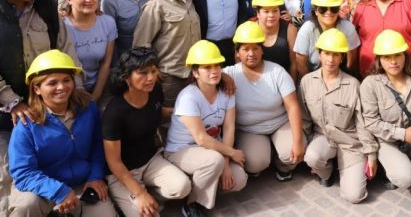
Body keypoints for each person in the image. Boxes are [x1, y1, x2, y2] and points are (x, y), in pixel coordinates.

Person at [0, 0, 81, 214]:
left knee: (52, 163)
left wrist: (74, 89)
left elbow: (65, 49)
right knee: (10, 175)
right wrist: (12, 102)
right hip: (7, 112)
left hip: (51, 100)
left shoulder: (46, 6)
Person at [8, 50, 116, 216]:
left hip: (83, 182)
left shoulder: (88, 108)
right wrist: (59, 191)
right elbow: (23, 173)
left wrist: (95, 175)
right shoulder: (26, 124)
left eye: (67, 80)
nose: (61, 87)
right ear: (37, 88)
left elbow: (98, 146)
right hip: (43, 187)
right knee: (26, 206)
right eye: (52, 83)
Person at [103, 47, 191, 217]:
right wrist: (140, 193)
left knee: (182, 187)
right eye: (143, 73)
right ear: (126, 77)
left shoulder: (155, 90)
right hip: (123, 172)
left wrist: (187, 113)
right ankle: (124, 199)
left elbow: (158, 111)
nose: (150, 78)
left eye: (153, 71)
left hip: (151, 160)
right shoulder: (114, 112)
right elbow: (113, 162)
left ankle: (149, 197)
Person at [164, 40, 247, 217]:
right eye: (207, 68)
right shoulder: (188, 97)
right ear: (195, 73)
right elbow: (201, 138)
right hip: (181, 150)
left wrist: (226, 164)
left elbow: (229, 127)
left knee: (238, 179)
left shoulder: (226, 91)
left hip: (211, 150)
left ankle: (200, 185)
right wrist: (231, 154)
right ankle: (191, 203)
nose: (214, 71)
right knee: (213, 161)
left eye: (217, 66)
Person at [360, 30, 411, 205]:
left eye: (397, 55)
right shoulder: (370, 84)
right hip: (388, 140)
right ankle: (395, 168)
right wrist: (402, 134)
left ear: (405, 56)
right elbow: (371, 121)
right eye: (386, 57)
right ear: (379, 59)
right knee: (404, 179)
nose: (393, 61)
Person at [300, 29, 378, 203]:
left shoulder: (353, 84)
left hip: (350, 143)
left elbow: (362, 124)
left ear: (342, 57)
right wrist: (307, 145)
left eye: (336, 54)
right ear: (319, 54)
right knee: (312, 156)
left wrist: (371, 154)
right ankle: (326, 173)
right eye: (327, 53)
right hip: (323, 137)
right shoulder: (306, 82)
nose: (331, 59)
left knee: (354, 196)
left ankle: (348, 167)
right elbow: (304, 119)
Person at [223, 21, 305, 181]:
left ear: (262, 51)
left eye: (255, 48)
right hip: (250, 129)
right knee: (255, 163)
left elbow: (293, 106)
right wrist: (223, 76)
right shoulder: (229, 75)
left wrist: (297, 141)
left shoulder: (277, 71)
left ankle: (282, 164)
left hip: (279, 123)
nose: (251, 53)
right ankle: (265, 153)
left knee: (291, 154)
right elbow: (204, 78)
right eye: (245, 49)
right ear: (237, 53)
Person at [133, 0, 200, 115]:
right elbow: (141, 43)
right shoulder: (158, 4)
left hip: (191, 75)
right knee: (167, 122)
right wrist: (152, 70)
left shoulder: (191, 3)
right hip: (169, 76)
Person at [61, 0, 116, 101]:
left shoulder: (107, 22)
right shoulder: (61, 26)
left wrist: (95, 96)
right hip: (68, 91)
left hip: (100, 88)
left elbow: (105, 63)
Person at [294, 0, 360, 77]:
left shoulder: (348, 28)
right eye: (323, 9)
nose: (328, 12)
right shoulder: (307, 29)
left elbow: (351, 62)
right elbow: (300, 61)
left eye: (333, 9)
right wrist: (311, 83)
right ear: (316, 11)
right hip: (312, 77)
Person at [252, 0, 298, 81]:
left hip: (283, 84)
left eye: (275, 11)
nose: (271, 15)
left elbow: (294, 64)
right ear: (258, 13)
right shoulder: (249, 30)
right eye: (266, 11)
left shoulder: (290, 30)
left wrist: (290, 89)